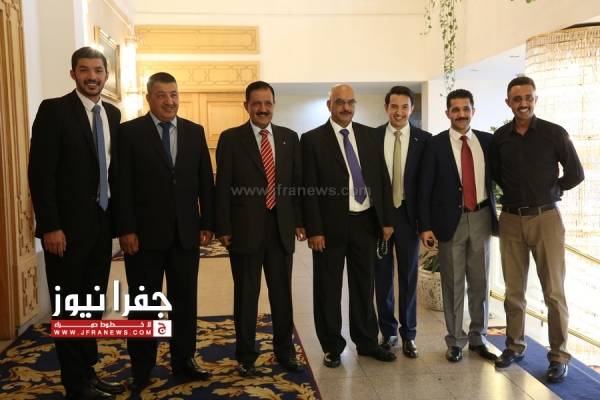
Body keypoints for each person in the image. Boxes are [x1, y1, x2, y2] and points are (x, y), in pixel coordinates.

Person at [28, 46, 124, 399]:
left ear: (106, 75)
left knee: (92, 304)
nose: (92, 77)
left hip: (101, 227)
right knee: (69, 307)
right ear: (73, 74)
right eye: (84, 70)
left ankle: (88, 373)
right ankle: (74, 384)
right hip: (65, 232)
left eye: (98, 70)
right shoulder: (54, 111)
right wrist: (50, 226)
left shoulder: (112, 113)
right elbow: (41, 174)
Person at [116, 72, 215, 392]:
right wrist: (126, 229)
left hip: (185, 234)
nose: (169, 101)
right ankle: (141, 367)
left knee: (184, 302)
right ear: (149, 98)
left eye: (174, 94)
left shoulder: (194, 131)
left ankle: (184, 361)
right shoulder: (129, 133)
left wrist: (208, 222)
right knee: (143, 304)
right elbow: (121, 184)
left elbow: (205, 180)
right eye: (161, 95)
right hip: (143, 237)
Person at [490, 76, 584, 383]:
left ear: (535, 99)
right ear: (508, 102)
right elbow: (497, 175)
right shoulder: (500, 137)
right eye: (517, 99)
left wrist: (553, 189)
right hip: (511, 219)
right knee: (513, 291)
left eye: (528, 97)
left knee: (554, 292)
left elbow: (576, 173)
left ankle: (558, 357)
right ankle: (514, 346)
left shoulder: (554, 133)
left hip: (546, 219)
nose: (523, 103)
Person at [302, 84, 396, 368]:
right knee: (328, 289)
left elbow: (382, 179)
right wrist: (314, 229)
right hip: (329, 228)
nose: (346, 107)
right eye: (340, 102)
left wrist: (386, 220)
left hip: (365, 222)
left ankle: (367, 342)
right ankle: (332, 346)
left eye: (350, 102)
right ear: (329, 105)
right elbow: (308, 187)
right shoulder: (312, 139)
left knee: (364, 286)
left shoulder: (369, 136)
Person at [215, 80, 305, 376]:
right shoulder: (231, 138)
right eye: (257, 103)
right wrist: (223, 226)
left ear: (273, 105)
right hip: (244, 230)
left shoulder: (289, 138)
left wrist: (300, 221)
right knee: (246, 296)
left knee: (282, 295)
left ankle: (285, 351)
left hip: (281, 229)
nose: (263, 109)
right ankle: (246, 355)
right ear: (247, 106)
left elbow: (296, 184)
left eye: (267, 103)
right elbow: (222, 185)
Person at [419, 89, 498, 363]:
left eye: (466, 109)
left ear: (473, 111)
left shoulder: (487, 141)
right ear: (447, 113)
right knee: (453, 283)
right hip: (449, 222)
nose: (461, 114)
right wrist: (425, 225)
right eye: (456, 109)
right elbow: (424, 187)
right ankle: (455, 341)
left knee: (480, 282)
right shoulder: (435, 145)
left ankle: (478, 337)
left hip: (481, 217)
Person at [373, 86, 431, 357]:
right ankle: (388, 332)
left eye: (404, 107)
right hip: (380, 217)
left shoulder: (424, 140)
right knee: (382, 278)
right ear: (386, 108)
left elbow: (427, 185)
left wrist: (425, 224)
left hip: (409, 218)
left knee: (408, 276)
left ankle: (409, 335)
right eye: (394, 106)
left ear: (412, 109)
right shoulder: (372, 137)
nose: (399, 112)